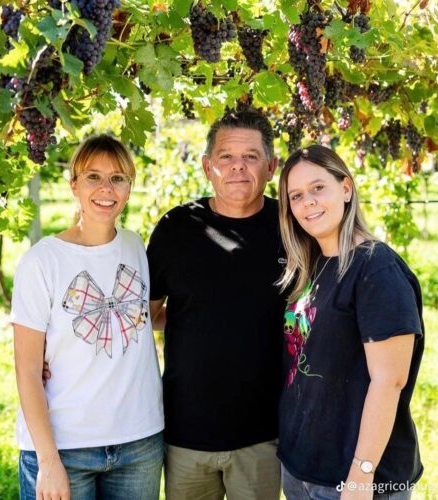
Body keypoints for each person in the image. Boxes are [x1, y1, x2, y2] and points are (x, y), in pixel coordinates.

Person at [11, 135, 164, 500]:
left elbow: (147, 315)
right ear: (74, 185)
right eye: (93, 176)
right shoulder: (42, 261)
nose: (106, 188)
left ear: (129, 187)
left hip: (139, 441)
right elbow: (27, 370)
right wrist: (48, 461)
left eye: (118, 178)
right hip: (64, 447)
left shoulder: (135, 246)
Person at [147, 109, 286, 500]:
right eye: (226, 156)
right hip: (186, 433)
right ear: (208, 166)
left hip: (263, 434)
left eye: (251, 156)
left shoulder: (292, 227)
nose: (238, 166)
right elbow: (149, 314)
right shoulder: (176, 228)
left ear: (271, 166)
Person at [277, 145, 424, 500]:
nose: (308, 202)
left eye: (318, 188)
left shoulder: (376, 269)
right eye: (296, 196)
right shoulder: (314, 263)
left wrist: (362, 474)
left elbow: (389, 381)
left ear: (346, 188)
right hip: (302, 469)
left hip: (353, 479)